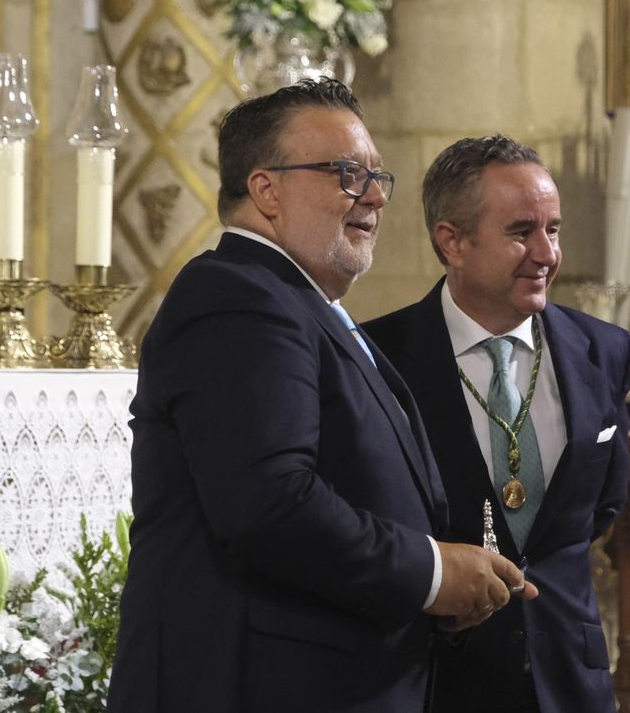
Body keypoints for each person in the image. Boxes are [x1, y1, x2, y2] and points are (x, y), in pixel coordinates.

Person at [109, 81, 535, 713]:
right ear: (265, 189)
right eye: (345, 173)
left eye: (376, 175)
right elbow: (270, 506)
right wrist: (433, 575)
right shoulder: (239, 299)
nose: (375, 195)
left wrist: (436, 589)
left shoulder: (305, 306)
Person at [364, 135, 630, 713]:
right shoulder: (379, 357)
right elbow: (372, 519)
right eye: (521, 232)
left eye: (554, 229)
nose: (547, 253)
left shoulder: (605, 350)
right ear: (453, 242)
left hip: (572, 679)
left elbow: (603, 505)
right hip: (437, 680)